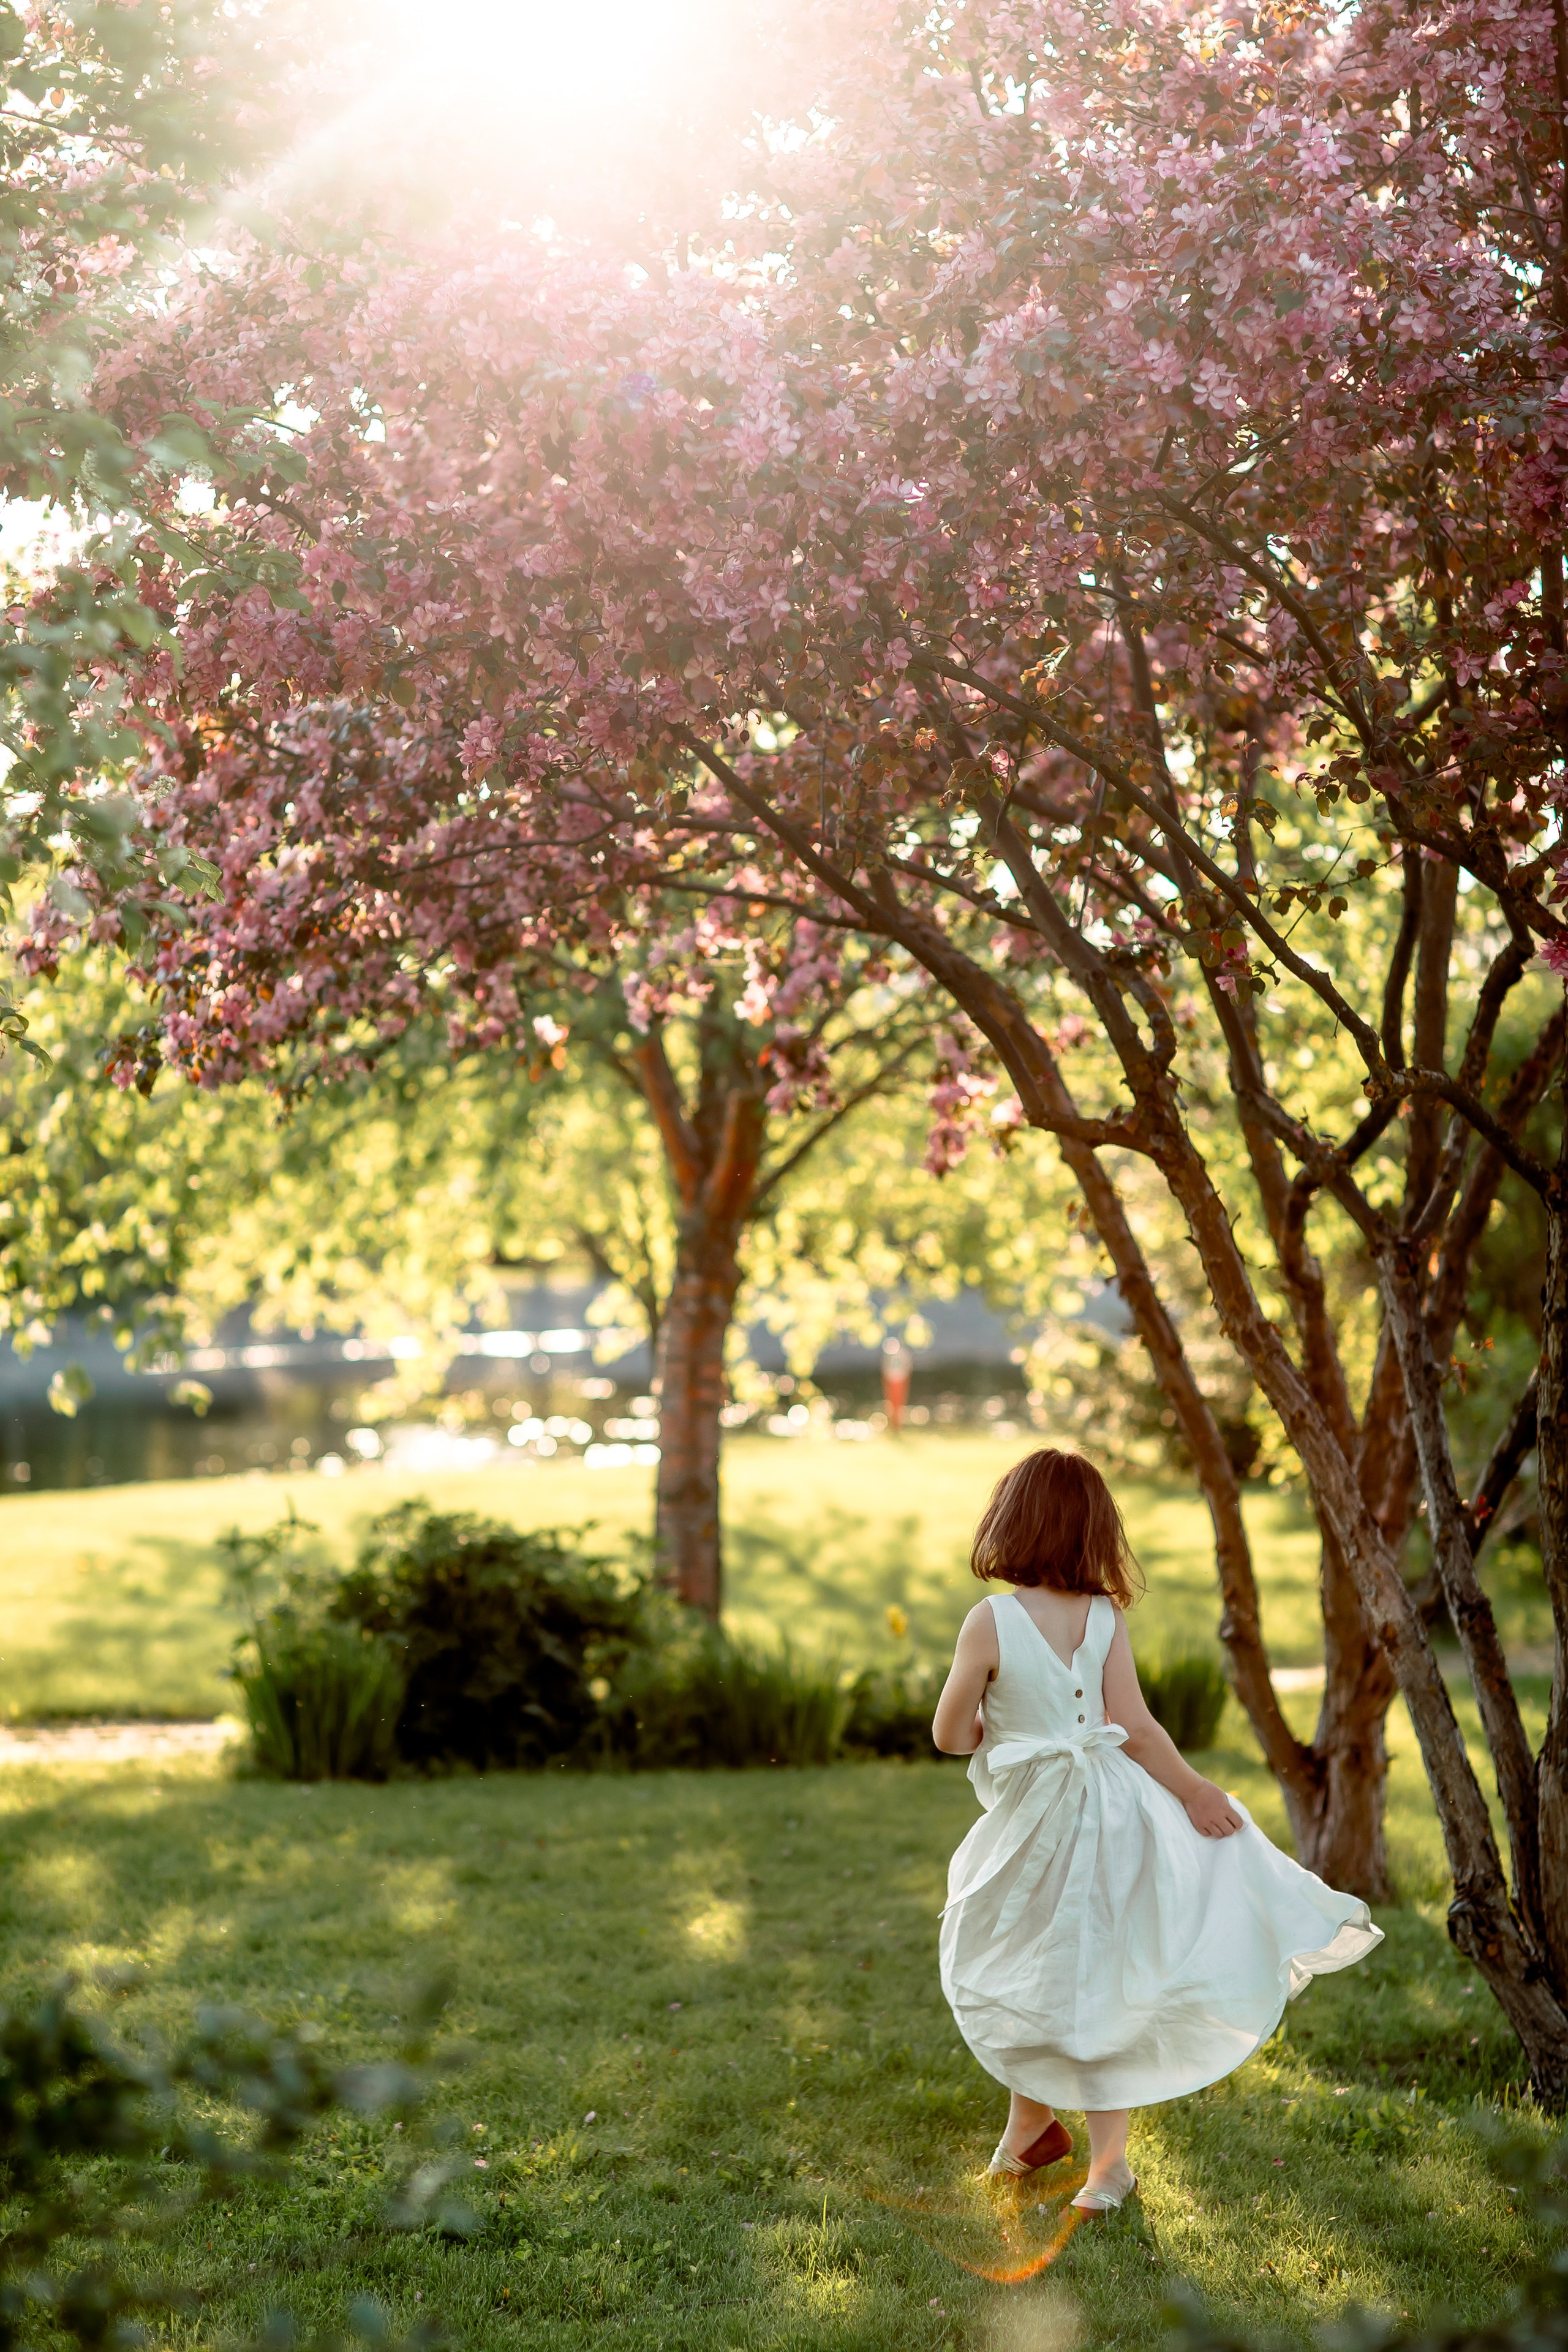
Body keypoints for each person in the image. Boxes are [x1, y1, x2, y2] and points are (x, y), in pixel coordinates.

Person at [932, 1447, 1382, 2214]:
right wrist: (1195, 1792)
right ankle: (1031, 2128)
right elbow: (1135, 1728)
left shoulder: (990, 1622)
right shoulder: (1103, 1617)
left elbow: (949, 1735)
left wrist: (995, 1727)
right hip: (1113, 1815)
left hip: (1038, 1826)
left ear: (1011, 1523)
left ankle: (1110, 2169)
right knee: (1077, 1968)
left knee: (1042, 1967)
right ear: (1093, 1532)